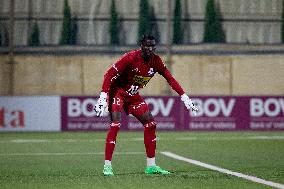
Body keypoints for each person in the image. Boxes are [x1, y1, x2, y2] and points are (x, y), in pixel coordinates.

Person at [95, 35, 198, 176]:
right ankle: (107, 167)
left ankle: (151, 166)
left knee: (150, 124)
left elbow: (170, 78)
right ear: (141, 46)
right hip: (117, 92)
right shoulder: (130, 58)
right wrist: (103, 97)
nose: (151, 49)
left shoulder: (156, 61)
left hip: (133, 96)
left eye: (153, 46)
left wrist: (184, 97)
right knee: (115, 125)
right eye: (147, 46)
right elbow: (109, 74)